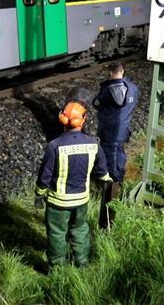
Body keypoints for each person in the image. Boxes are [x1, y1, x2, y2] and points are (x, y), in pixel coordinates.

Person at [35, 101, 112, 268]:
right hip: (81, 201)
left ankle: (57, 268)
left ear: (62, 120)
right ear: (83, 120)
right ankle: (81, 262)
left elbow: (45, 177)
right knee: (80, 230)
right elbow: (102, 172)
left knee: (57, 233)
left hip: (58, 202)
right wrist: (107, 181)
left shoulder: (54, 146)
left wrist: (39, 194)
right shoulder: (93, 144)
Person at [92, 61, 139, 229]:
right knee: (119, 155)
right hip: (122, 131)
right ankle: (117, 179)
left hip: (110, 132)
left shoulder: (108, 90)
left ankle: (108, 211)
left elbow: (96, 103)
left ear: (110, 73)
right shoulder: (133, 88)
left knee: (110, 166)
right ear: (122, 71)